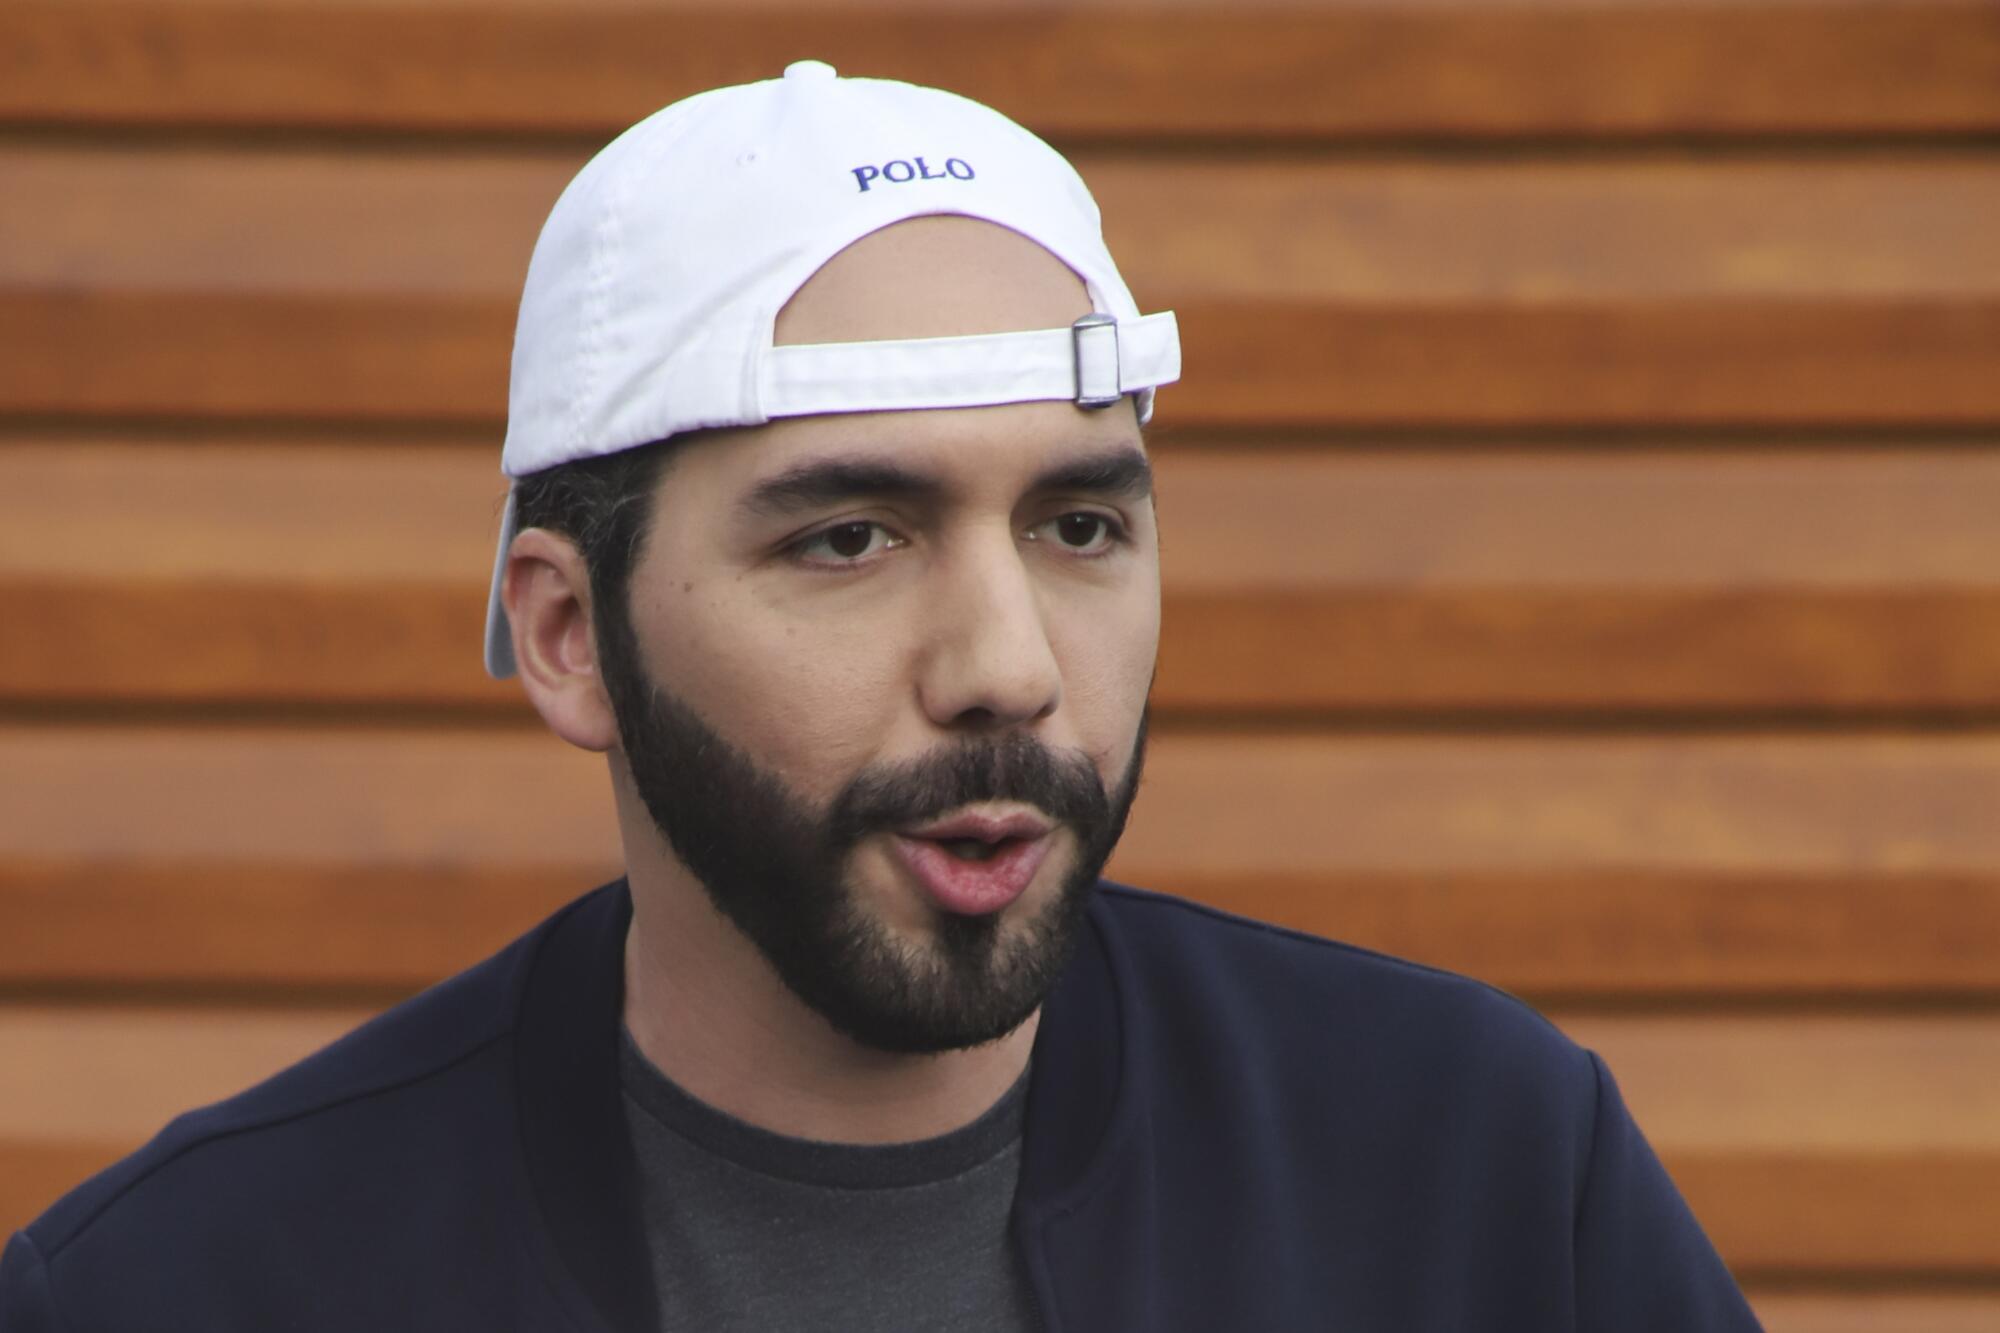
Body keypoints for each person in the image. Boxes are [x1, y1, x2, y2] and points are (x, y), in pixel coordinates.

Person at [0, 63, 1761, 1331]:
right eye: (849, 538)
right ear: (568, 636)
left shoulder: (1480, 1177)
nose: (1004, 663)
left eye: (1080, 523)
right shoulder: (191, 1282)